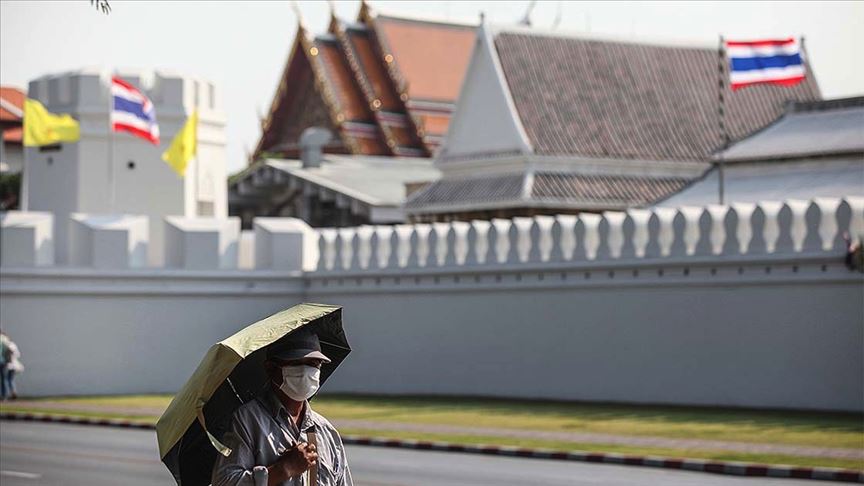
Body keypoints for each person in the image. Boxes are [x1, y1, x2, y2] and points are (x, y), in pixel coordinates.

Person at [212, 329, 352, 486]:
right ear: (271, 368)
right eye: (296, 363)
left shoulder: (326, 431)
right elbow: (224, 482)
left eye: (313, 364)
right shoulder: (248, 420)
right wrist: (283, 469)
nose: (306, 372)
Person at [1, 331, 22, 400]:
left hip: (8, 364)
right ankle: (13, 391)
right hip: (13, 364)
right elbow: (18, 354)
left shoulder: (7, 344)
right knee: (10, 379)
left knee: (6, 379)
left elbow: (10, 353)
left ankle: (6, 394)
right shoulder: (12, 344)